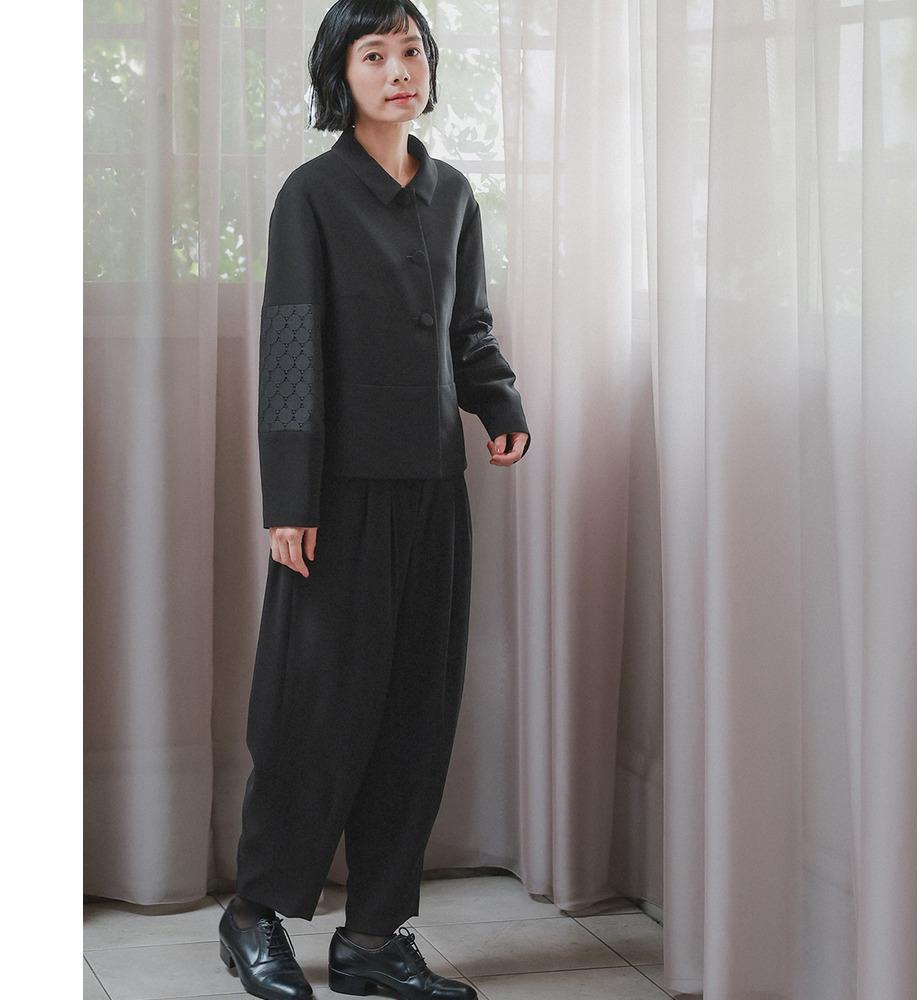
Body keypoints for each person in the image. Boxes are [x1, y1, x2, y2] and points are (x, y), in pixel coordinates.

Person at [217, 2, 529, 999]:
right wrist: (289, 498)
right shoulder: (310, 195)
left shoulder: (454, 194)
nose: (400, 69)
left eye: (412, 51)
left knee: (415, 713)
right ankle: (255, 912)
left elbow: (467, 326)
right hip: (334, 498)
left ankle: (374, 937)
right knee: (312, 710)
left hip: (434, 489)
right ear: (340, 74)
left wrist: (497, 402)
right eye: (375, 53)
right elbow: (292, 347)